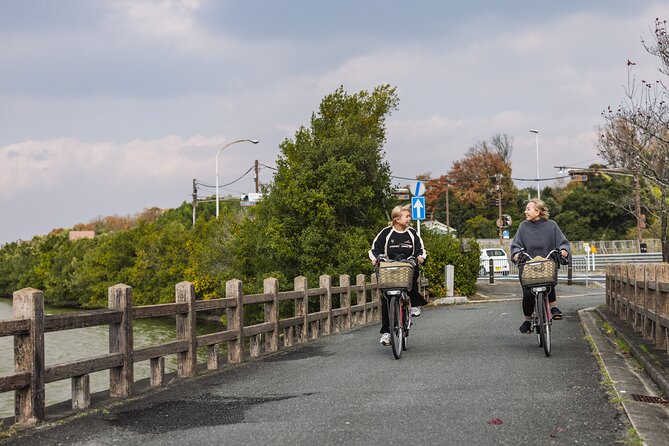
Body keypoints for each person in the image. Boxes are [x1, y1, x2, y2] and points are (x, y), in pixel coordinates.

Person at [369, 204, 428, 345]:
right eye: (406, 216)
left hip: (407, 265)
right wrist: (375, 259)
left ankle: (413, 304)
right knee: (386, 299)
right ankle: (386, 333)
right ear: (396, 219)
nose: (409, 219)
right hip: (389, 267)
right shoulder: (386, 233)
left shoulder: (412, 233)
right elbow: (374, 249)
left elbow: (421, 249)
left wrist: (420, 257)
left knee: (411, 277)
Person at [510, 198, 570, 334]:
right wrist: (516, 255)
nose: (525, 211)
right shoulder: (523, 227)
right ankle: (527, 319)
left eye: (528, 209)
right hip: (528, 265)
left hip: (547, 263)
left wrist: (563, 250)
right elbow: (515, 245)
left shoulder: (551, 225)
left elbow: (562, 242)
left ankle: (553, 306)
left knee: (548, 280)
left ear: (538, 211)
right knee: (528, 293)